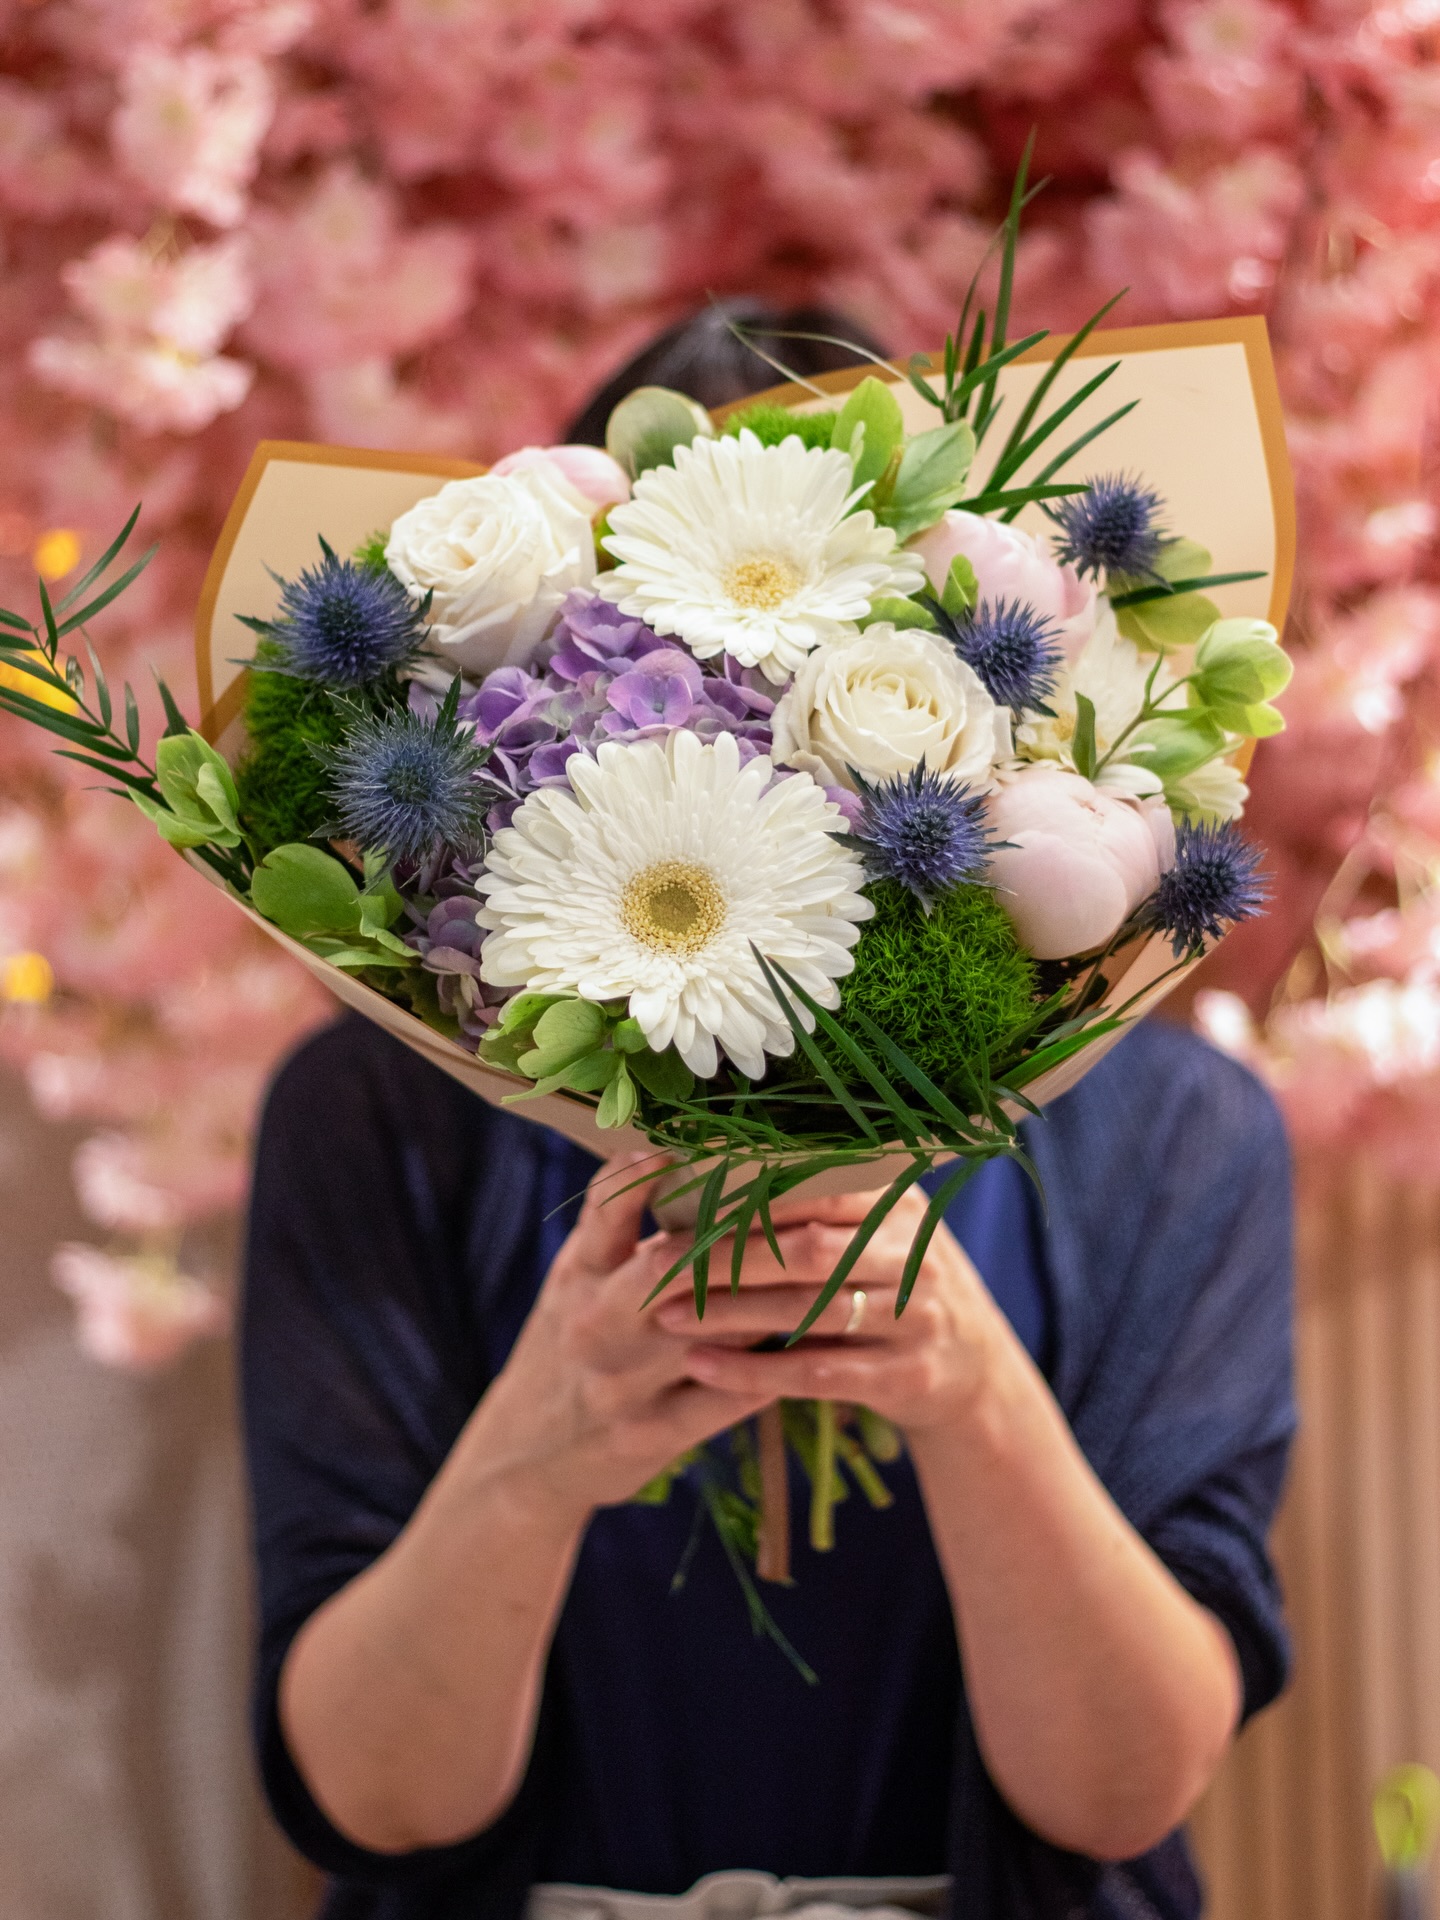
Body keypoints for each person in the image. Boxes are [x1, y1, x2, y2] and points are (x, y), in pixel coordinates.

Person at [240, 310, 1296, 1920]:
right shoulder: (377, 1114)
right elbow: (372, 1800)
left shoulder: (1179, 1134)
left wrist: (972, 1396)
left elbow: (1122, 1793)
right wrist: (537, 1454)